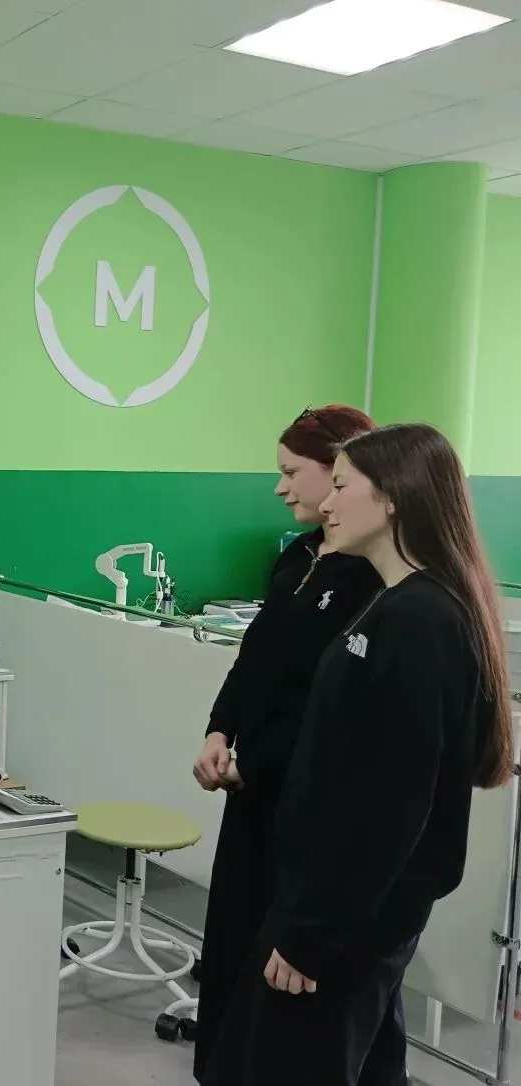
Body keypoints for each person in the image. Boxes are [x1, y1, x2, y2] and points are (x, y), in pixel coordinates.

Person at [201, 422, 513, 1086]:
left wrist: (311, 934)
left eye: (341, 485)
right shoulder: (395, 606)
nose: (327, 502)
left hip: (346, 917)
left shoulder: (421, 619)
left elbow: (387, 805)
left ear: (393, 497)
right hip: (327, 900)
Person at [191, 405, 379, 1080]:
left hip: (307, 804)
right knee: (233, 944)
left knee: (287, 981)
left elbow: (333, 713)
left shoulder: (375, 580)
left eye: (292, 472)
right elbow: (257, 658)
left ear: (343, 471)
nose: (281, 487)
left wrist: (260, 764)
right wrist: (220, 729)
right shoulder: (298, 557)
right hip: (252, 794)